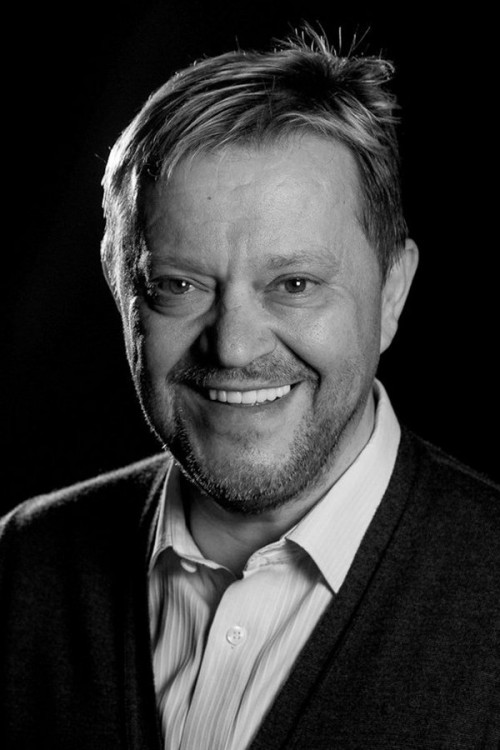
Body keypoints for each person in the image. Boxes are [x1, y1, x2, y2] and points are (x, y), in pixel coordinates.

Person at [1, 28, 498, 750]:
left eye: (294, 284)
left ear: (392, 291)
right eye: (179, 285)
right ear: (120, 292)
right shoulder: (22, 566)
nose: (233, 347)